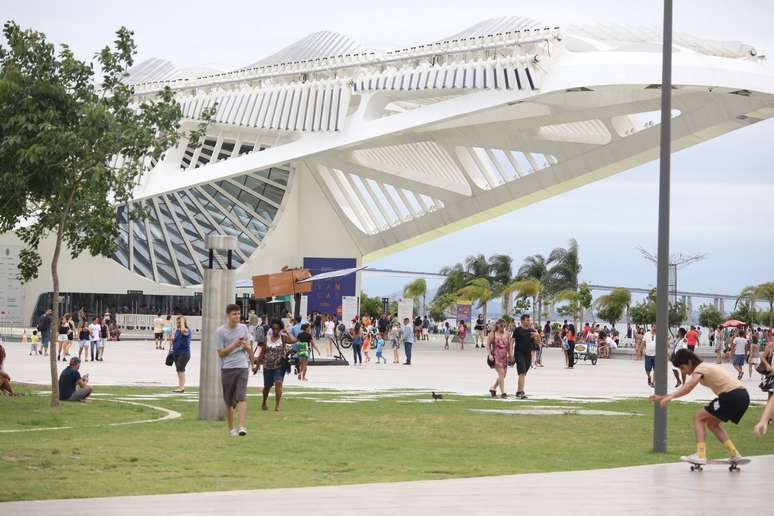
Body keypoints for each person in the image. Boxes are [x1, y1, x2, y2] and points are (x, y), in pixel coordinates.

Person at [650, 349, 749, 465]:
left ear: (690, 362)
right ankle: (734, 454)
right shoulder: (705, 367)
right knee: (712, 424)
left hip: (731, 396)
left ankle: (700, 455)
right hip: (742, 396)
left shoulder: (700, 368)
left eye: (682, 367)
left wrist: (670, 397)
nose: (684, 371)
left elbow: (689, 386)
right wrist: (664, 397)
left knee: (698, 417)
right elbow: (687, 387)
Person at [216, 304, 251, 436]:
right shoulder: (220, 332)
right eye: (234, 314)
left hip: (242, 366)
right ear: (228, 315)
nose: (237, 316)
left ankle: (242, 427)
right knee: (229, 401)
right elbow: (220, 353)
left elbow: (249, 348)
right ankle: (231, 429)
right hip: (227, 368)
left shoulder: (243, 328)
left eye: (238, 314)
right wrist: (233, 345)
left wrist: (246, 347)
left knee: (241, 397)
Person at [255, 319, 294, 412]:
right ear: (271, 329)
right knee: (267, 387)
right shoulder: (267, 338)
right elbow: (262, 353)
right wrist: (257, 366)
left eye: (277, 328)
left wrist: (287, 332)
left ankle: (277, 405)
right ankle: (264, 401)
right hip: (267, 366)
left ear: (280, 329)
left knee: (278, 383)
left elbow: (293, 340)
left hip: (279, 366)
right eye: (274, 328)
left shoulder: (283, 338)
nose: (275, 330)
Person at [512, 314, 537, 399]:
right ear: (522, 321)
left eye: (529, 320)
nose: (528, 321)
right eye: (527, 320)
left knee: (523, 373)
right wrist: (510, 354)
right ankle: (521, 391)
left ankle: (518, 391)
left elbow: (537, 342)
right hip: (519, 353)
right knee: (522, 372)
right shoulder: (517, 330)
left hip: (528, 354)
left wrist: (536, 336)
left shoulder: (531, 330)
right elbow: (512, 342)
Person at [487, 320, 512, 398]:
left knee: (503, 375)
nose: (503, 327)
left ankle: (493, 388)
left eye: (504, 326)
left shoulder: (507, 334)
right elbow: (487, 345)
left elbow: (509, 346)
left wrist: (511, 355)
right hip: (496, 356)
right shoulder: (492, 334)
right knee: (501, 374)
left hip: (504, 357)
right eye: (501, 326)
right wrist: (490, 355)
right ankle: (503, 393)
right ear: (497, 325)